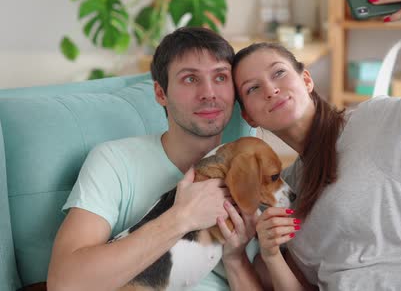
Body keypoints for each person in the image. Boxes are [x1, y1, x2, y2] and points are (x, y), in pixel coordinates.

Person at [232, 0, 401, 290]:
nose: (270, 89)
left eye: (279, 73)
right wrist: (270, 256)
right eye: (253, 89)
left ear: (307, 80)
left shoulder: (373, 122)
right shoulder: (285, 193)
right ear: (250, 117)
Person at [48, 27, 262, 290]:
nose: (209, 93)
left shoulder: (252, 173)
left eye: (220, 77)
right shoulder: (114, 161)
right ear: (161, 93)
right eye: (190, 79)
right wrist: (181, 217)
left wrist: (236, 258)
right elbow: (64, 283)